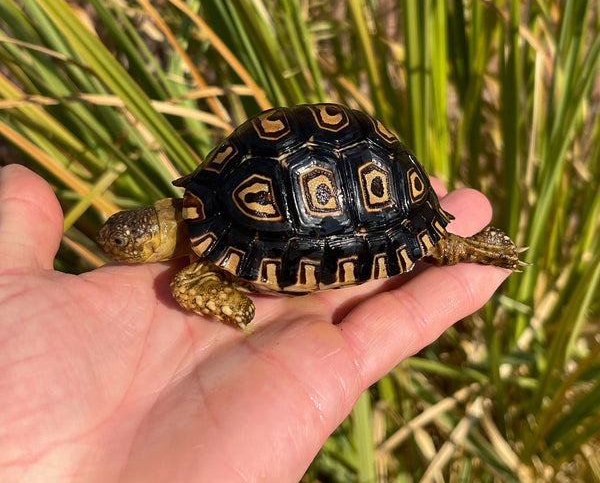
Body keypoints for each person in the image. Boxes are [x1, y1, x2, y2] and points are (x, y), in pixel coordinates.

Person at [0, 164, 511, 482]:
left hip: (355, 202)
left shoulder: (192, 265)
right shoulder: (210, 201)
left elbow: (240, 306)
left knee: (185, 283)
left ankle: (444, 241)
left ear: (154, 233)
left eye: (124, 246)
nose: (117, 252)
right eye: (118, 246)